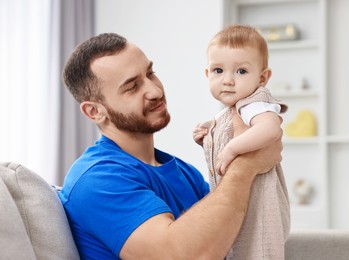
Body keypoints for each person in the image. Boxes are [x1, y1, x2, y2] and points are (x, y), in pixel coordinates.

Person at [58, 32, 284, 260]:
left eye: (150, 74)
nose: (156, 91)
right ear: (95, 111)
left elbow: (229, 241)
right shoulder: (96, 179)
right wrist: (246, 165)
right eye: (132, 87)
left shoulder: (183, 172)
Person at [193, 24, 290, 259]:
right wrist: (207, 135)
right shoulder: (230, 111)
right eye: (218, 70)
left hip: (261, 209)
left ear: (262, 77)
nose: (227, 80)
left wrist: (231, 148)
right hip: (240, 207)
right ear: (207, 74)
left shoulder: (255, 103)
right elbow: (228, 130)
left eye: (241, 72)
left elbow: (270, 129)